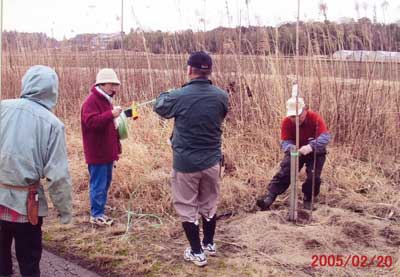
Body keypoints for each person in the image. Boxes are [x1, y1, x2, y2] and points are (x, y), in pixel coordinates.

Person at [154, 51, 228, 267]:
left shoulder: (178, 96)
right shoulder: (221, 96)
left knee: (186, 206)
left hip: (185, 164)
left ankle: (197, 252)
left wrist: (171, 92)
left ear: (189, 70)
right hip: (213, 161)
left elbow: (159, 106)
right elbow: (222, 114)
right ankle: (209, 244)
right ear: (210, 71)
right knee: (209, 203)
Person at [0, 65, 72, 277]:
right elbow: (58, 176)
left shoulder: (2, 108)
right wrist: (64, 211)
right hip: (26, 207)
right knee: (29, 263)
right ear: (53, 90)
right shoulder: (52, 124)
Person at [256, 96, 331, 211]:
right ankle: (269, 198)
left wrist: (311, 146)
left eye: (299, 116)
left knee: (313, 176)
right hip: (296, 152)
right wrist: (290, 147)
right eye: (292, 116)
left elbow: (325, 137)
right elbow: (284, 141)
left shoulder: (315, 118)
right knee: (285, 171)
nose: (296, 119)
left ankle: (308, 199)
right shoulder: (286, 122)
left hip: (315, 150)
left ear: (305, 110)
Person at [81, 68, 122, 226]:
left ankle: (100, 207)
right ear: (102, 84)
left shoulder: (105, 100)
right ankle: (96, 215)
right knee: (98, 183)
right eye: (112, 84)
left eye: (115, 85)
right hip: (97, 152)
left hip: (107, 151)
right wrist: (111, 115)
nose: (114, 88)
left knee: (105, 182)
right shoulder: (91, 101)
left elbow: (107, 123)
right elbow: (90, 123)